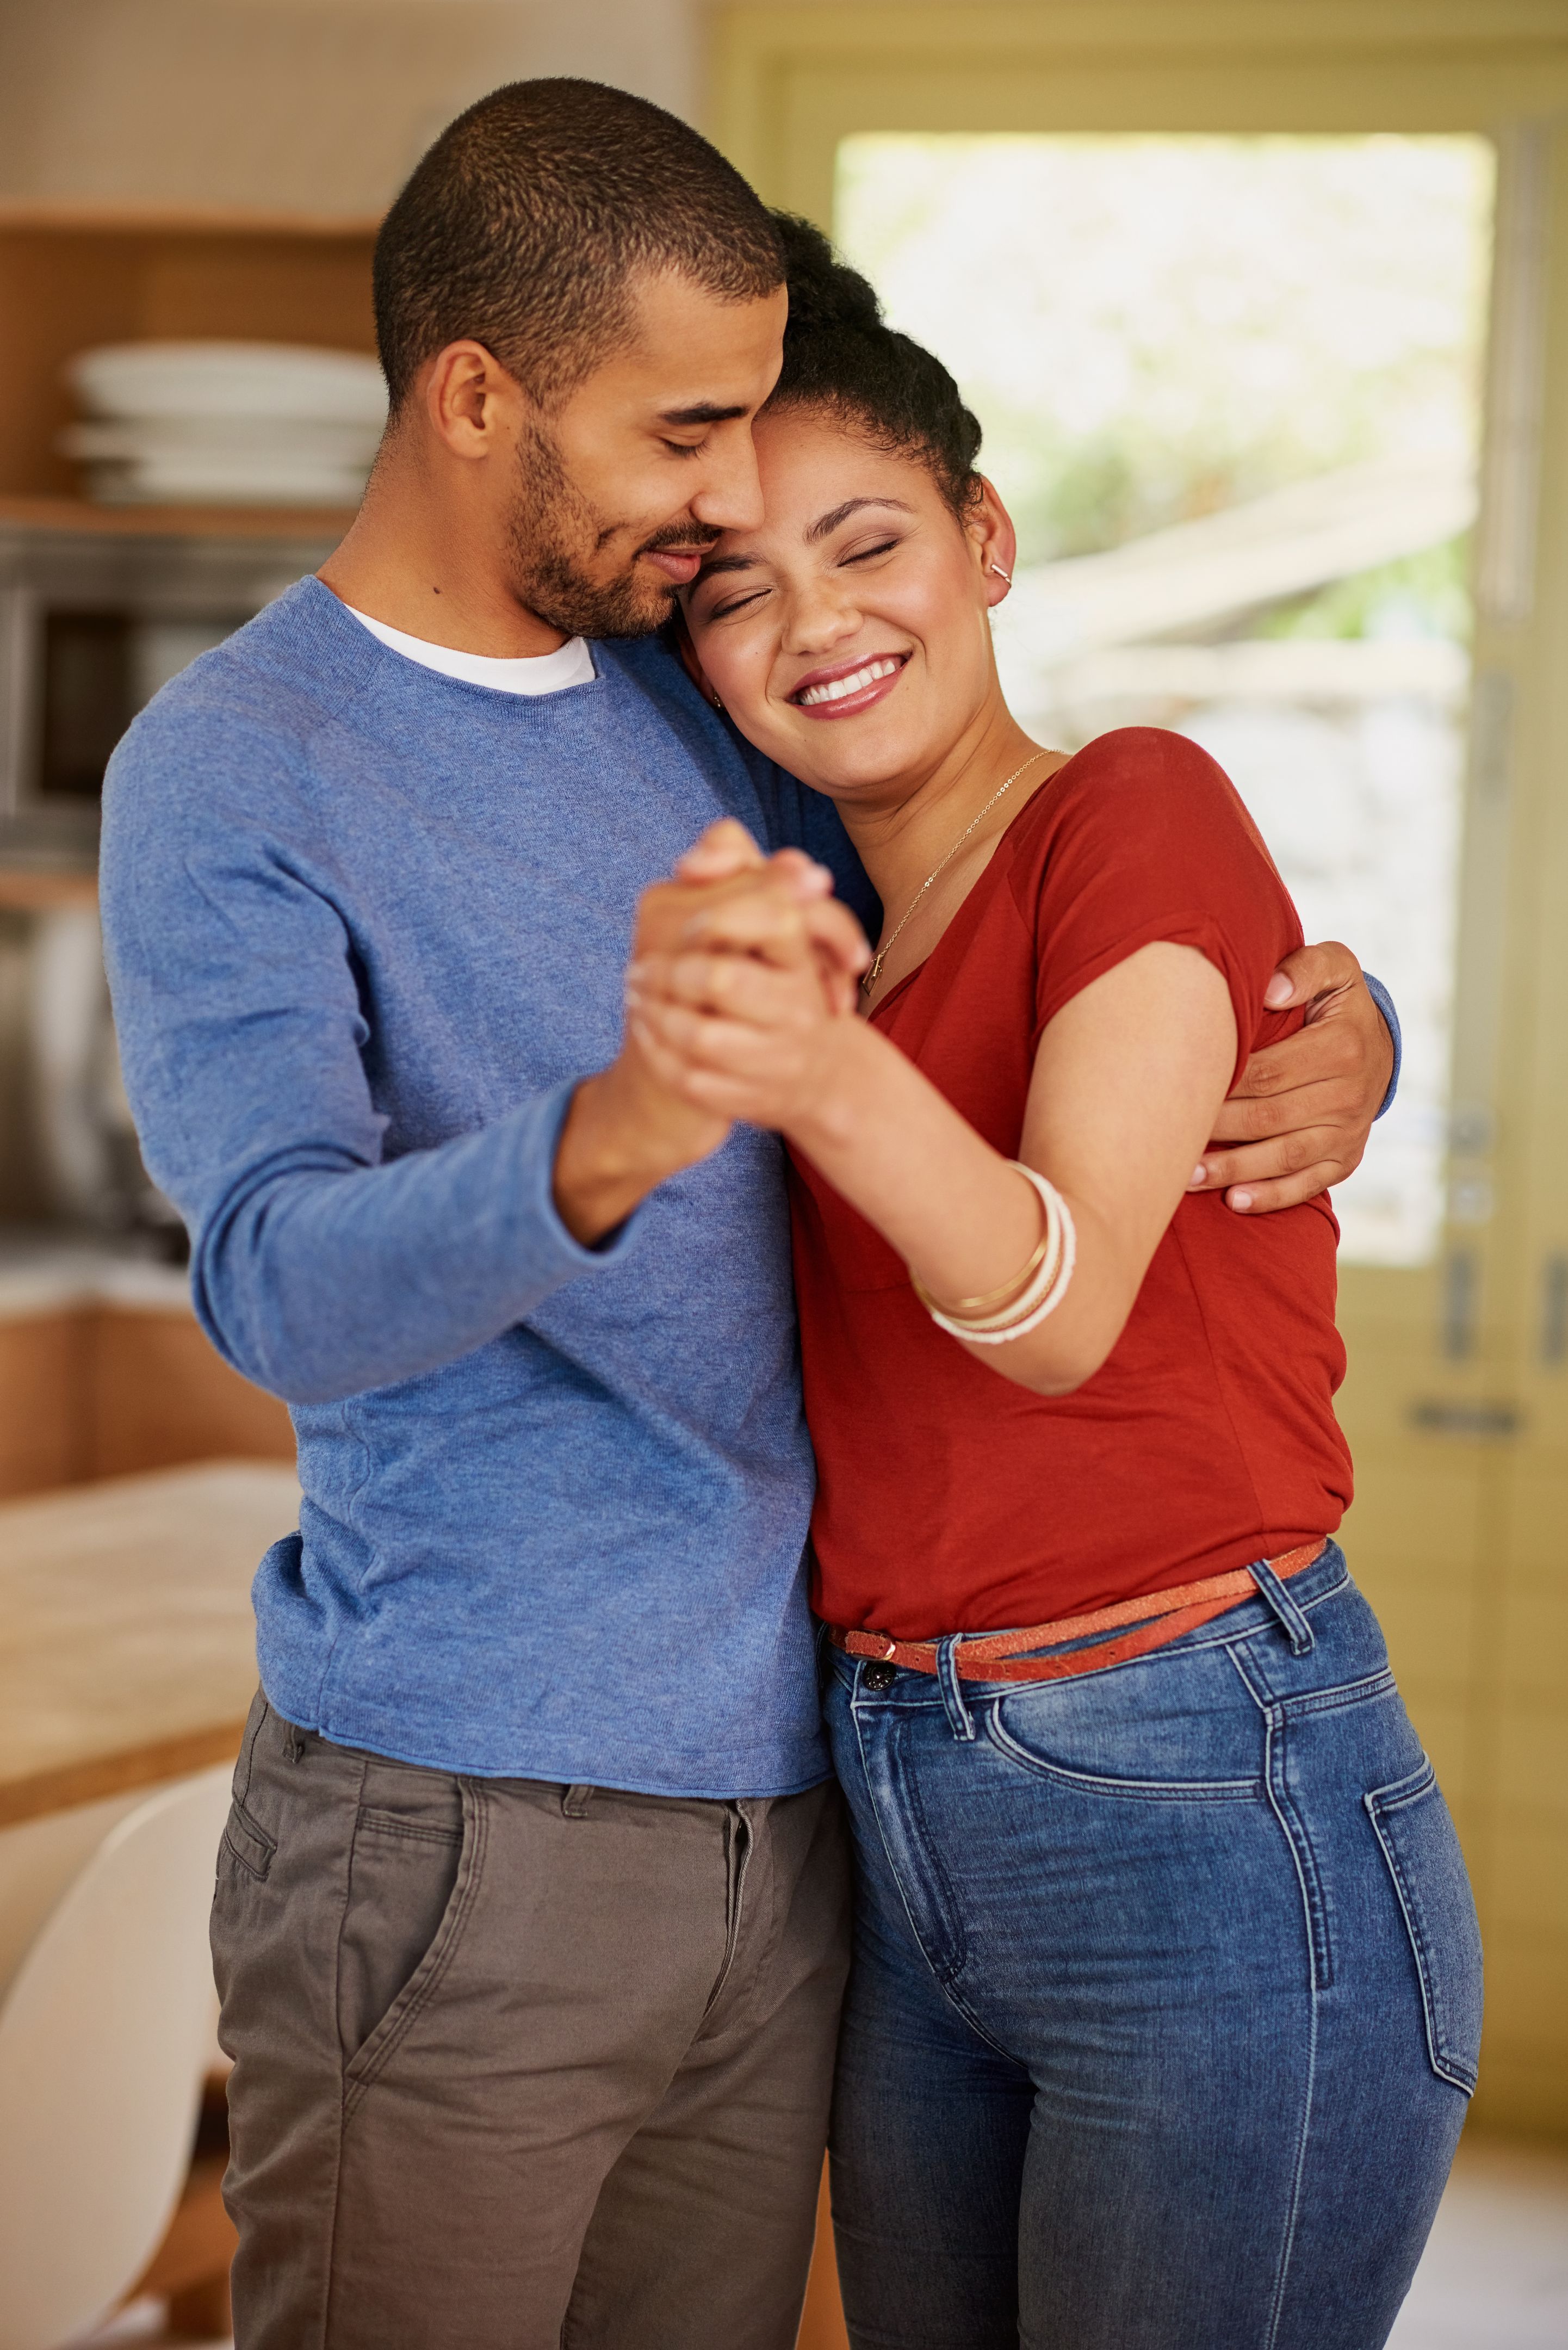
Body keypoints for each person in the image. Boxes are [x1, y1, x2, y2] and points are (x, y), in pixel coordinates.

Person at [98, 82, 1400, 2350]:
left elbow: (1034, 890)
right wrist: (614, 1129)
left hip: (825, 1815)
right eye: (689, 437)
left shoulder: (699, 702)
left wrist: (1332, 1019)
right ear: (479, 397)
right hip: (465, 1815)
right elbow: (275, 1281)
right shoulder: (241, 763)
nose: (735, 509)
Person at [629, 218, 1482, 2350]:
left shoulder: (1133, 806)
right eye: (737, 587)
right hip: (910, 1804)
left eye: (868, 542)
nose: (813, 621)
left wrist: (817, 1070)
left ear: (985, 536)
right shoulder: (828, 906)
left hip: (1206, 1786)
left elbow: (1068, 1299)